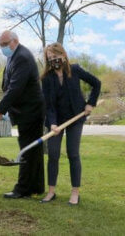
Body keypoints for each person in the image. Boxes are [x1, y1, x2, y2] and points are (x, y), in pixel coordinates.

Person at [40, 43, 101, 205]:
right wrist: (52, 124)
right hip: (56, 121)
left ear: (64, 55)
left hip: (75, 117)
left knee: (73, 153)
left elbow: (96, 83)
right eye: (50, 58)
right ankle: (51, 191)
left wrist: (90, 103)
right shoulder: (46, 78)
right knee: (53, 154)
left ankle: (75, 192)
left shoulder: (75, 70)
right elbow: (49, 105)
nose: (54, 60)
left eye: (56, 56)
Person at [0, 30, 45, 199]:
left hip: (31, 111)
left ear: (15, 41)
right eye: (0, 45)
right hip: (26, 111)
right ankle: (36, 186)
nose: (3, 48)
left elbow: (16, 87)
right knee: (33, 150)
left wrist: (1, 108)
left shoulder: (22, 57)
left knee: (27, 150)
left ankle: (22, 189)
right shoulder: (12, 57)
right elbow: (7, 84)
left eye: (5, 44)